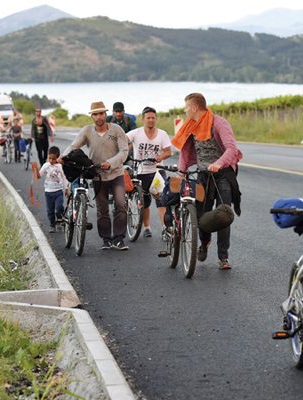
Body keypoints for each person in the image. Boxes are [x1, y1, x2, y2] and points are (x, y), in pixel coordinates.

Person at [171, 93, 242, 270]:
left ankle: (223, 257)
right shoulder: (190, 126)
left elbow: (232, 148)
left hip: (223, 173)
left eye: (186, 107)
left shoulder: (219, 123)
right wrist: (181, 173)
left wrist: (218, 163)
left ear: (194, 108)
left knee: (223, 213)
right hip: (203, 175)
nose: (185, 110)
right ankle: (204, 243)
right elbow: (185, 152)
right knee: (200, 213)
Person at [60, 101, 130, 250]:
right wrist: (63, 156)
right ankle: (106, 239)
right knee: (102, 208)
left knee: (120, 205)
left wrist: (110, 162)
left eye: (101, 113)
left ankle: (119, 238)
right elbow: (74, 145)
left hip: (116, 174)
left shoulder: (117, 130)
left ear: (106, 114)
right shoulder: (87, 131)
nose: (98, 117)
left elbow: (124, 151)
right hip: (98, 176)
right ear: (91, 116)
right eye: (95, 114)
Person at [125, 106, 172, 238]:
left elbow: (168, 151)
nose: (151, 120)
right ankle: (146, 227)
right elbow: (123, 140)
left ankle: (165, 228)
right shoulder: (136, 133)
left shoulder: (162, 134)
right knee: (144, 202)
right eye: (148, 118)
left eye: (153, 118)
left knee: (161, 201)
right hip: (141, 172)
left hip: (157, 172)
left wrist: (160, 157)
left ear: (156, 119)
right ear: (143, 119)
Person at [33, 146, 68, 233]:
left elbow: (64, 178)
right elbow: (38, 176)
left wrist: (66, 188)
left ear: (57, 158)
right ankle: (52, 225)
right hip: (48, 192)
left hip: (58, 191)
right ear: (47, 156)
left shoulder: (60, 166)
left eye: (53, 159)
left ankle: (60, 221)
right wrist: (36, 169)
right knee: (50, 211)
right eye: (49, 158)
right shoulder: (46, 165)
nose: (51, 161)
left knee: (59, 207)